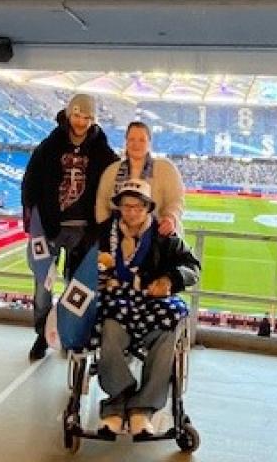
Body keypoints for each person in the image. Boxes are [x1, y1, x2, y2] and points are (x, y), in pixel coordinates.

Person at [80, 179, 200, 437]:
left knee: (168, 331)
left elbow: (192, 267)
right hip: (116, 302)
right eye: (127, 206)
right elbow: (79, 264)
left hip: (152, 303)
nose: (132, 212)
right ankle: (116, 404)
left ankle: (142, 409)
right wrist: (98, 268)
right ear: (119, 207)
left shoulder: (164, 236)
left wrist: (169, 280)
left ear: (148, 208)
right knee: (108, 326)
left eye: (138, 206)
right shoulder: (103, 234)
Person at [22, 94, 119, 360]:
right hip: (50, 227)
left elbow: (113, 185)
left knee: (76, 287)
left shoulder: (103, 151)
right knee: (43, 286)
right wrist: (33, 217)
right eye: (77, 115)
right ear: (68, 115)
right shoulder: (49, 145)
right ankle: (42, 334)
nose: (81, 122)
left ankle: (68, 334)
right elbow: (30, 182)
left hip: (84, 231)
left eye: (87, 117)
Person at [95, 121, 185, 236]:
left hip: (158, 235)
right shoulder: (112, 171)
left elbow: (175, 200)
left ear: (149, 143)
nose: (136, 144)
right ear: (126, 142)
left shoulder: (166, 168)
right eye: (131, 139)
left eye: (142, 140)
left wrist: (170, 218)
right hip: (118, 237)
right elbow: (102, 204)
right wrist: (105, 234)